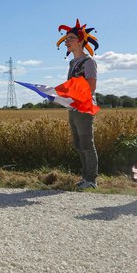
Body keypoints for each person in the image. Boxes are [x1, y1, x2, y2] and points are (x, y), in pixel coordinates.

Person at [57, 19, 99, 190]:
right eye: (66, 38)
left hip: (84, 107)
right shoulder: (72, 63)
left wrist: (71, 93)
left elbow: (91, 86)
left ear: (81, 41)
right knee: (78, 144)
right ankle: (85, 177)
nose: (66, 41)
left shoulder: (88, 62)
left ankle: (91, 180)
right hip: (73, 107)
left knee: (87, 144)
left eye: (71, 38)